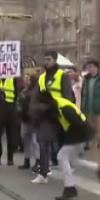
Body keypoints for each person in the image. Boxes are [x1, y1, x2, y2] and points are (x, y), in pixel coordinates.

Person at [37, 90, 94, 200]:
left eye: (42, 105)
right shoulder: (55, 106)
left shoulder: (64, 108)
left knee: (62, 157)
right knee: (70, 159)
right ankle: (98, 169)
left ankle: (70, 189)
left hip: (80, 133)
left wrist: (85, 140)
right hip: (76, 133)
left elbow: (78, 123)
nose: (41, 107)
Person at [33, 51, 75, 182]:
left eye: (49, 59)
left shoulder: (62, 76)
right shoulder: (42, 78)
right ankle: (43, 173)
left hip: (59, 115)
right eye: (45, 59)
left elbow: (67, 97)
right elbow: (37, 96)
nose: (46, 62)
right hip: (45, 116)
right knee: (43, 144)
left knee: (60, 147)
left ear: (55, 60)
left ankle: (68, 171)